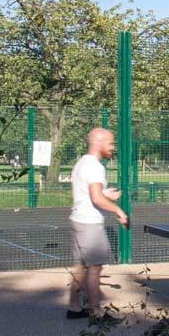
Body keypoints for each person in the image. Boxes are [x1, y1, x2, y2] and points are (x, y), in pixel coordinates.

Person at [67, 127, 128, 320]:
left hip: (78, 220)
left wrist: (105, 194)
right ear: (98, 142)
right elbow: (96, 198)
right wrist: (118, 211)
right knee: (94, 269)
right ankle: (96, 311)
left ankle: (74, 308)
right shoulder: (95, 166)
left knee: (80, 267)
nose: (112, 147)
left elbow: (89, 193)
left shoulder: (82, 163)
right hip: (90, 224)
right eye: (110, 143)